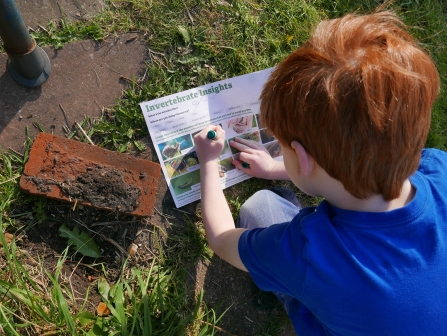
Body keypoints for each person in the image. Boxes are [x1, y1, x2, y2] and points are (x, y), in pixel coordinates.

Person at [193, 10, 446, 335]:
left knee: (259, 207)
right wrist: (274, 167)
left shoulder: (308, 253)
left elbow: (221, 239)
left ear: (301, 157)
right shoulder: (439, 166)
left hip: (326, 297)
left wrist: (209, 161)